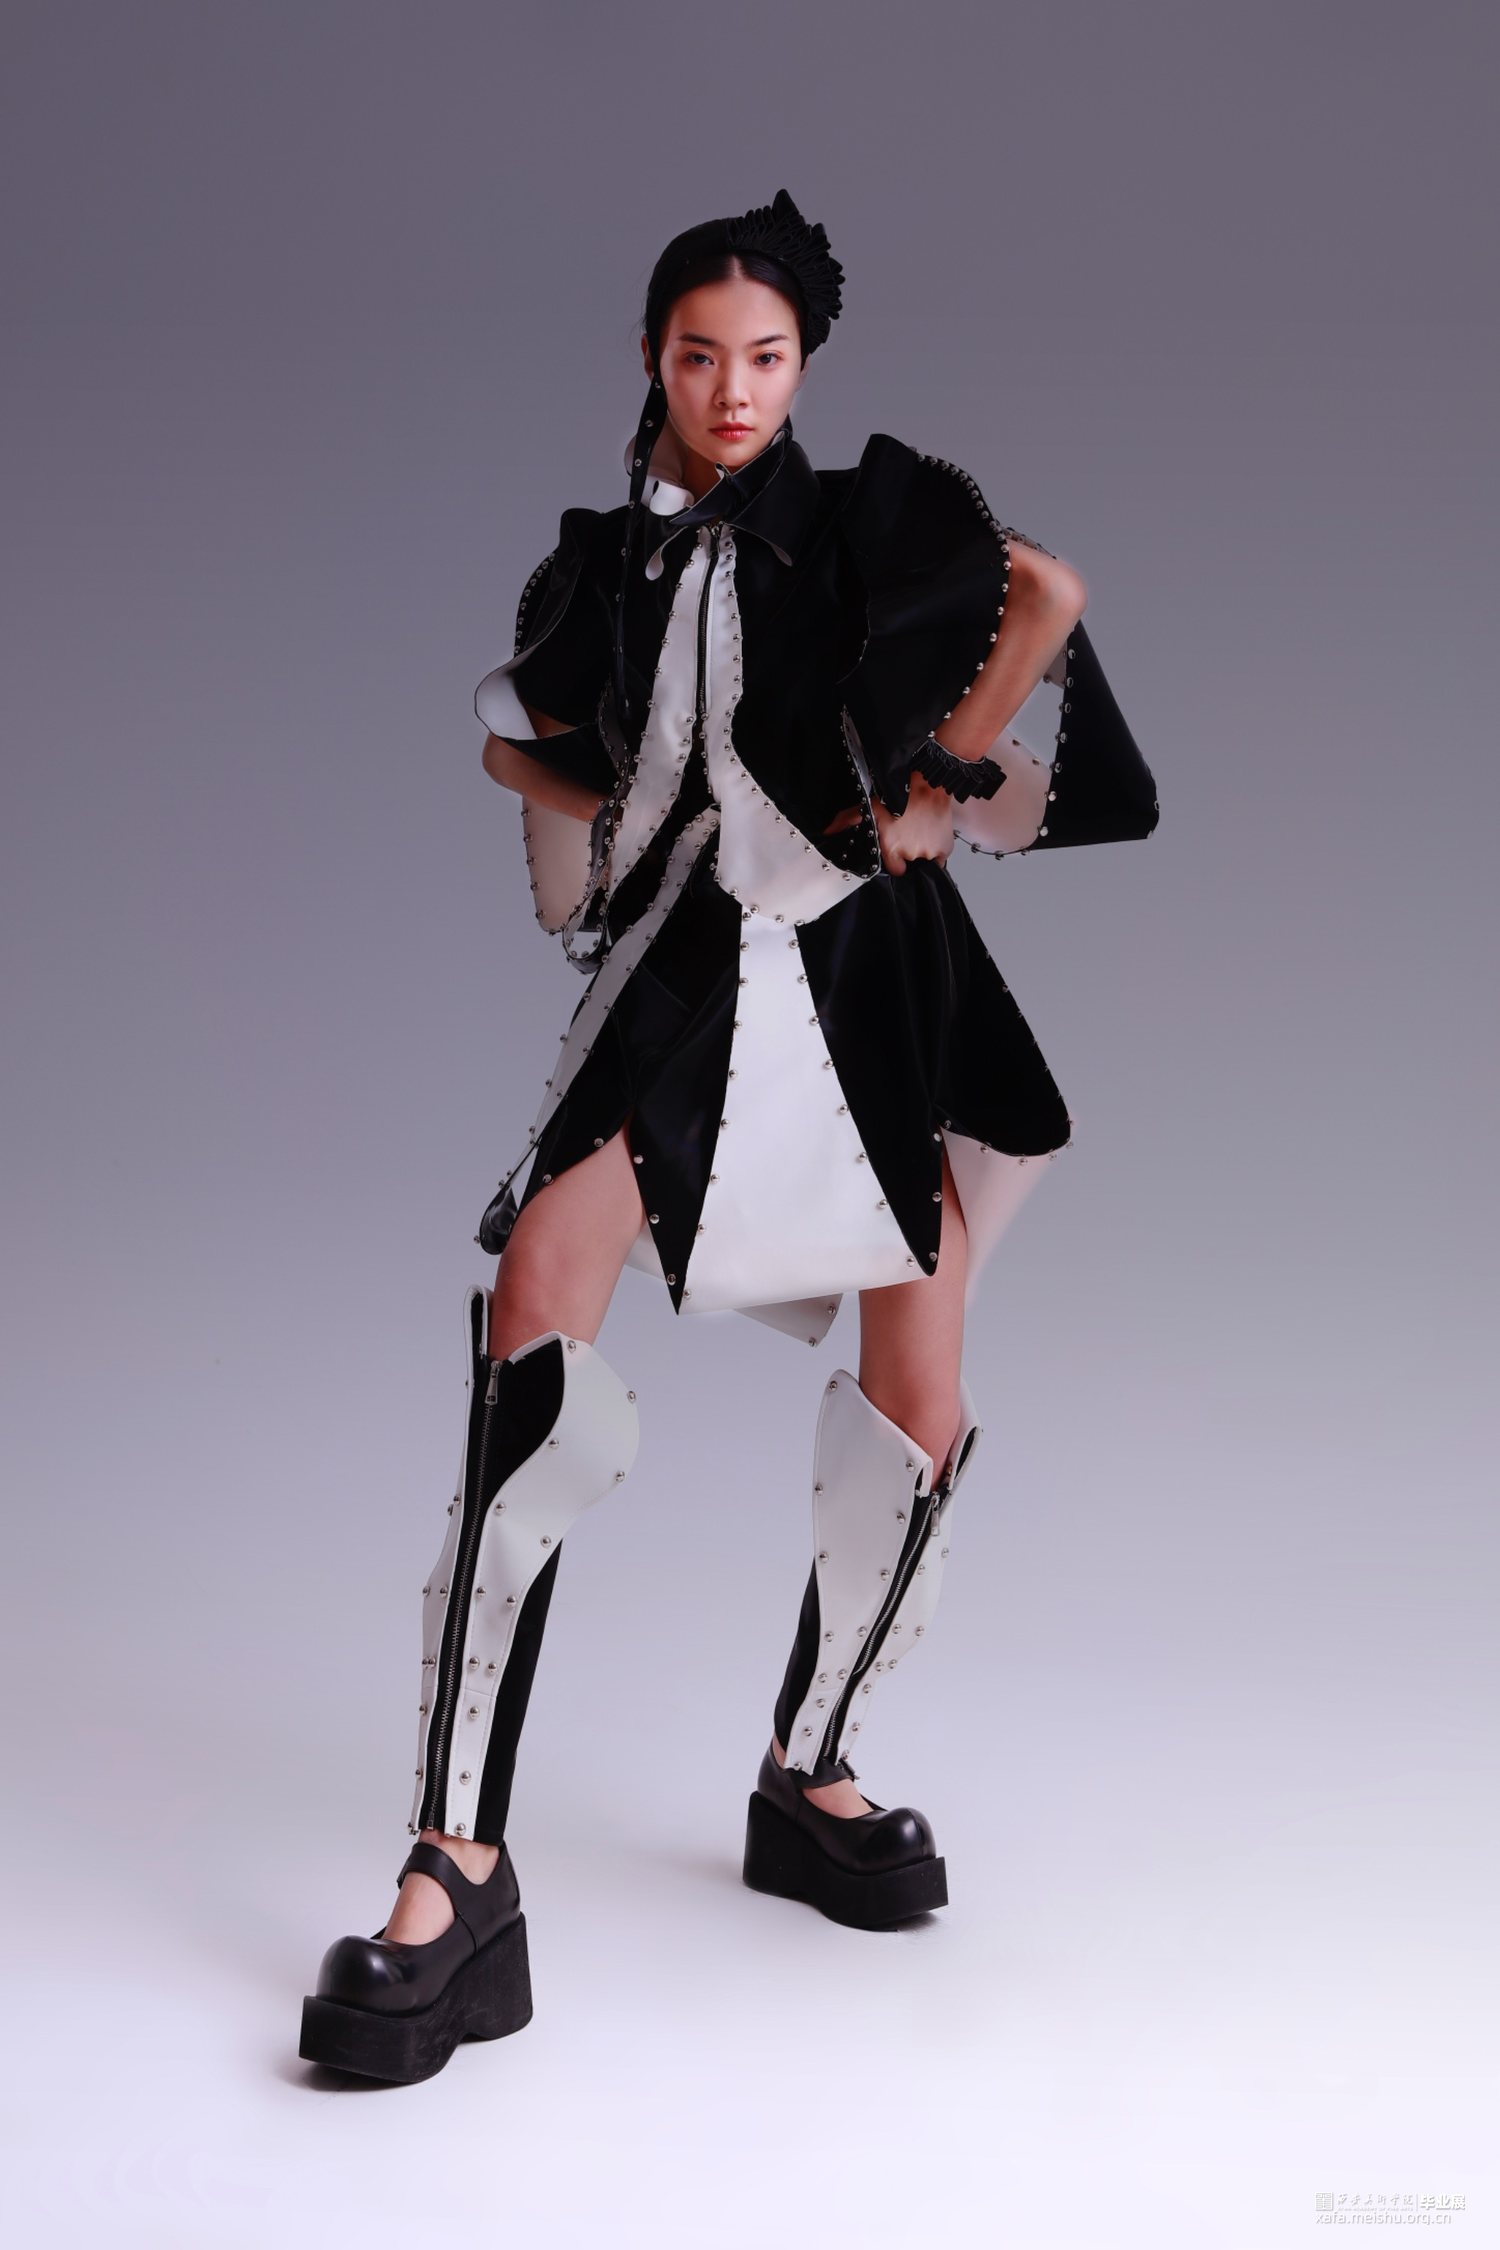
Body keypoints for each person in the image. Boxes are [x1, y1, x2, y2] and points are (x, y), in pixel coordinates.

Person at [299, 189, 1160, 2084]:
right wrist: (560, 776)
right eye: (701, 356)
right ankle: (454, 1870)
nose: (735, 389)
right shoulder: (601, 562)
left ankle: (810, 1767)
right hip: (692, 968)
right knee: (534, 1315)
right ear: (652, 359)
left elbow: (1019, 633)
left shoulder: (860, 527)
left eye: (766, 357)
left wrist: (962, 735)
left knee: (920, 1378)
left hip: (866, 969)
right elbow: (554, 770)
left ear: (805, 365)